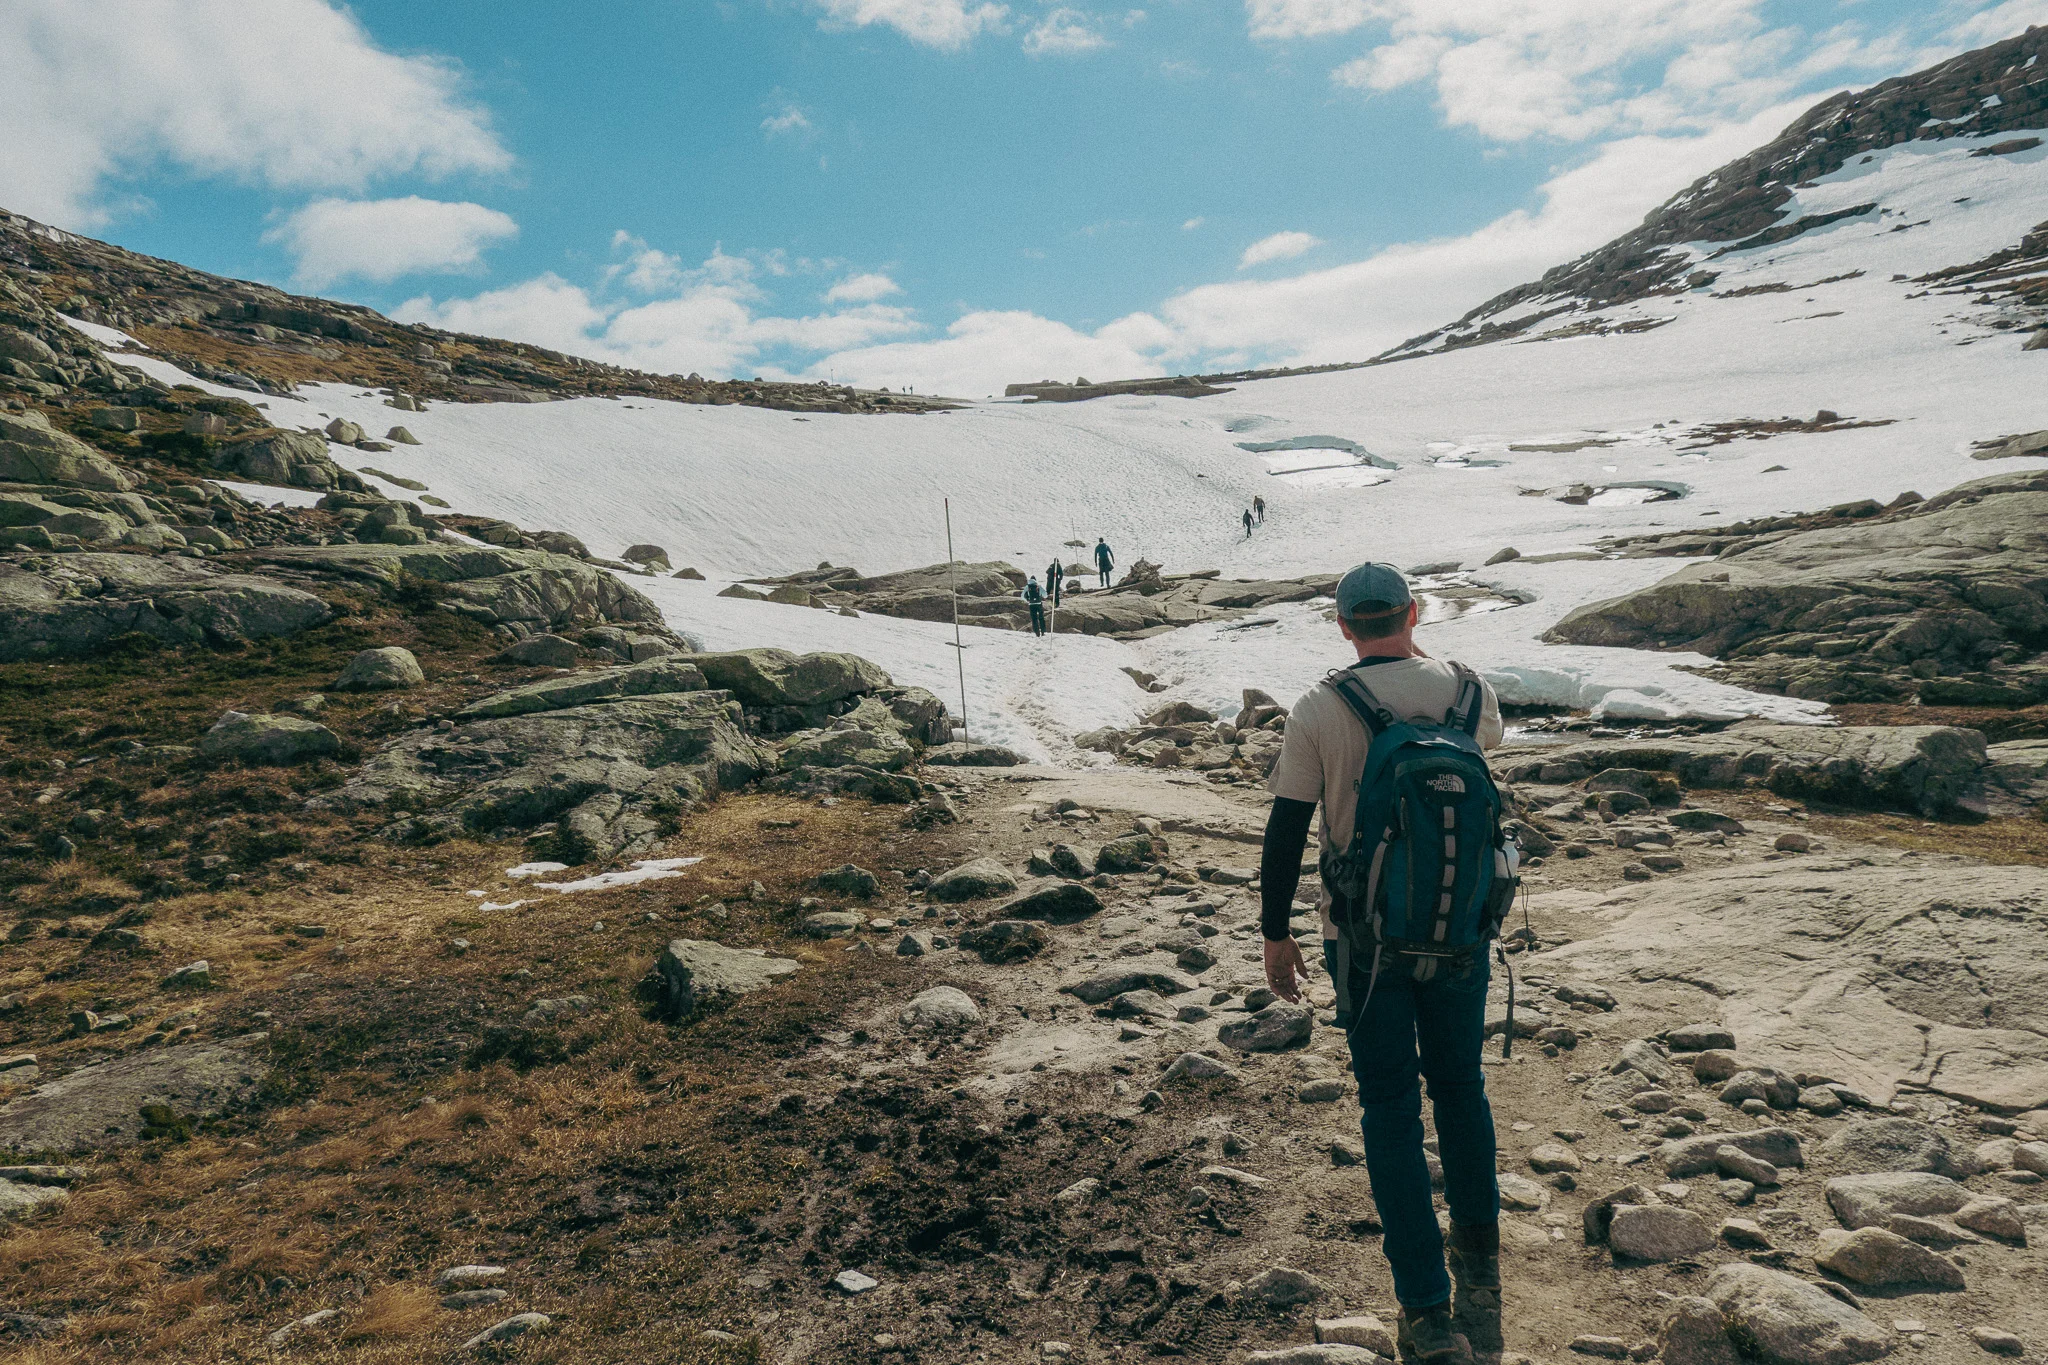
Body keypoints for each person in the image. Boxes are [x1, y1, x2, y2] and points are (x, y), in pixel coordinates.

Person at [1259, 562, 1505, 1360]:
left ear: (1341, 626)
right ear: (1414, 610)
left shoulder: (1320, 707)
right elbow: (1484, 754)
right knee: (1461, 1084)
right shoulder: (1469, 692)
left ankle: (1427, 1309)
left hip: (1362, 944)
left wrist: (1275, 931)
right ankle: (1481, 1257)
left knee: (1391, 1107)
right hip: (1462, 929)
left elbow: (1288, 828)